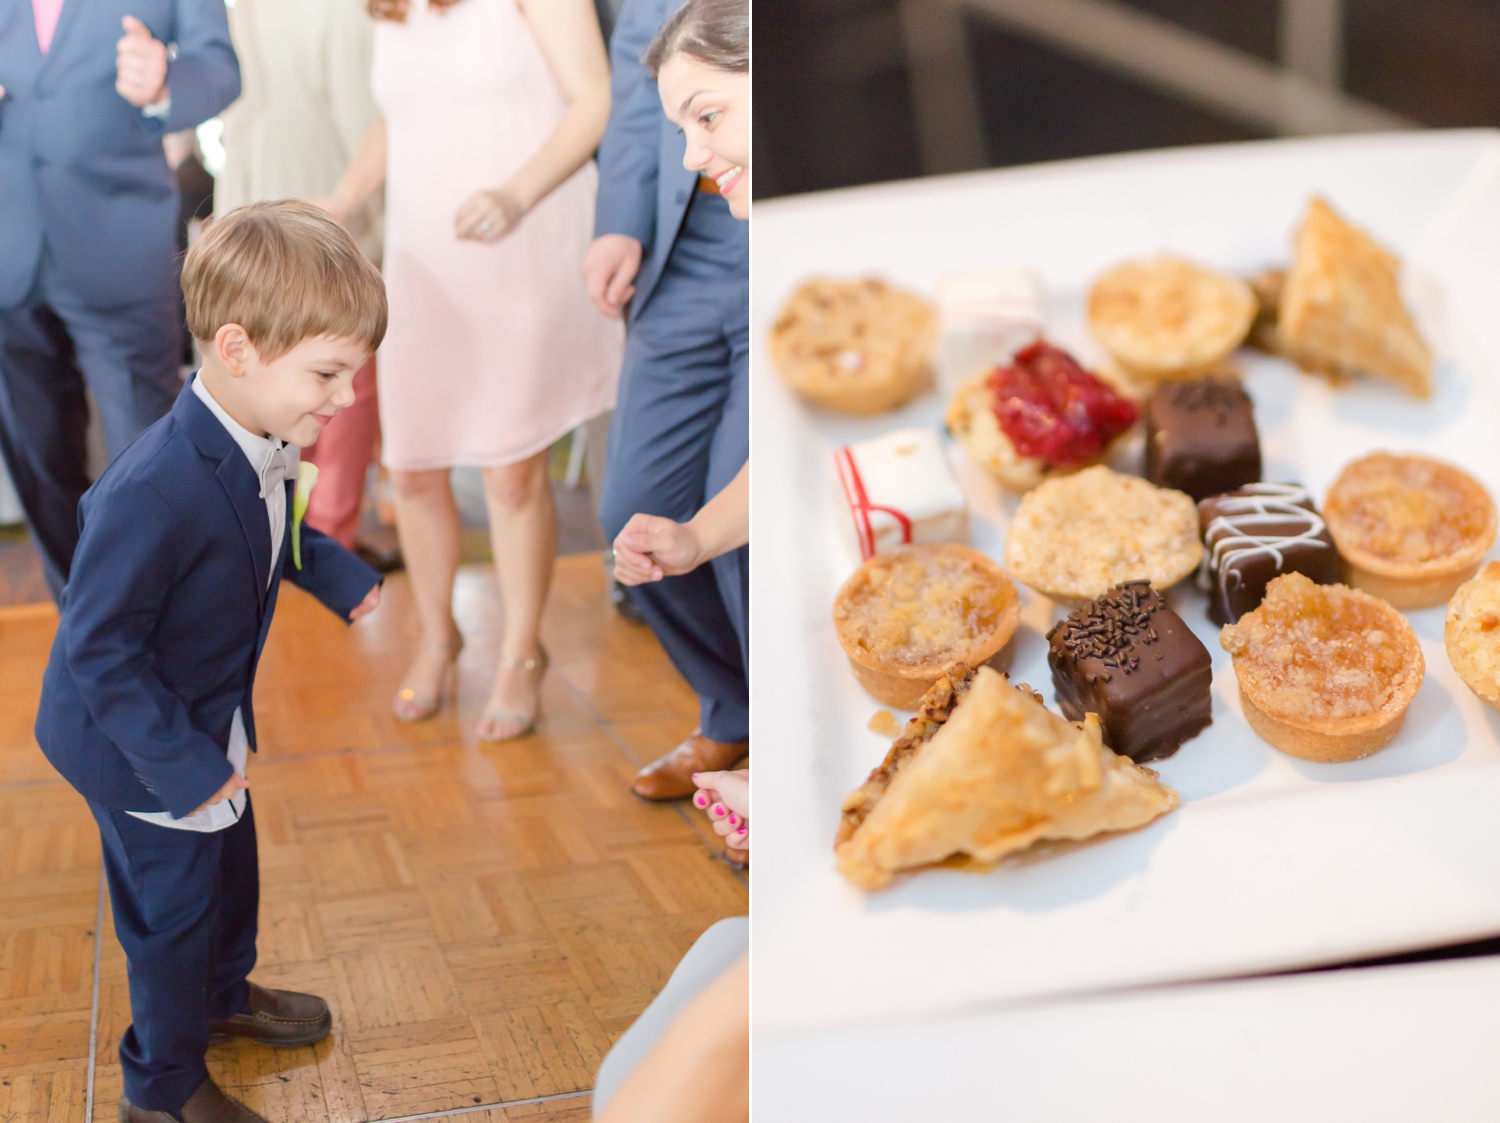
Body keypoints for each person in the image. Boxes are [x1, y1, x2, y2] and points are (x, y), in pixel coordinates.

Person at [33, 202, 386, 1123]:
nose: (344, 399)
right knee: (171, 914)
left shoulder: (256, 438)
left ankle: (223, 992)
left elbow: (271, 528)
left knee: (232, 871)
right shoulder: (151, 487)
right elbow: (98, 648)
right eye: (328, 374)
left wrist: (341, 575)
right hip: (139, 740)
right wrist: (186, 767)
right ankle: (162, 1085)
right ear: (238, 348)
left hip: (202, 710)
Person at [319, 0, 622, 740]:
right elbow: (398, 117)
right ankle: (438, 638)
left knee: (510, 473)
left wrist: (513, 191)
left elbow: (594, 100)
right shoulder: (386, 7)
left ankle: (521, 652)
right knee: (415, 467)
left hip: (520, 239)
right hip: (424, 258)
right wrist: (340, 202)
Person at [0, 0, 241, 599]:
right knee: (38, 460)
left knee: (152, 458)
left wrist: (164, 83)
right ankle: (84, 621)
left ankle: (166, 627)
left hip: (119, 246)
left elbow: (219, 68)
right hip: (8, 248)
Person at [585, 0, 748, 801]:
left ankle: (783, 750)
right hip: (678, 256)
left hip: (774, 237)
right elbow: (630, 98)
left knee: (740, 509)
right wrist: (618, 224)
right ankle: (732, 707)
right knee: (636, 506)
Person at [216, 0, 388, 557]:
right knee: (269, 411)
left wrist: (370, 241)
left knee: (338, 404)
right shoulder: (233, 13)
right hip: (253, 253)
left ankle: (321, 552)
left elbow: (368, 130)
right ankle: (276, 553)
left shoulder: (337, 11)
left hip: (332, 250)